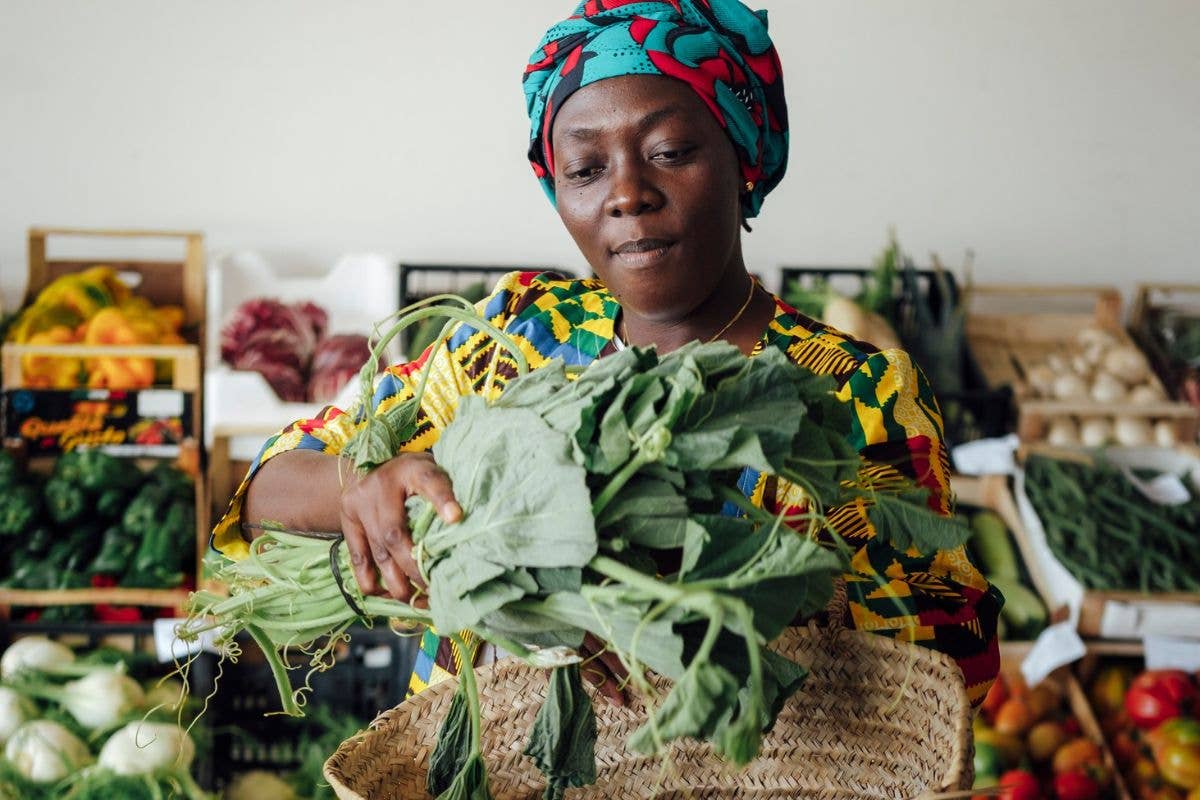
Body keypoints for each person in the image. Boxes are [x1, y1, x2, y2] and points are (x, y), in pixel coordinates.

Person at [213, 0, 1002, 710]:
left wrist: (713, 607)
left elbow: (958, 657)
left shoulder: (853, 391)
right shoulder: (516, 335)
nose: (626, 193)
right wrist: (364, 487)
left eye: (668, 151)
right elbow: (267, 484)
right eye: (585, 169)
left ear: (743, 159)